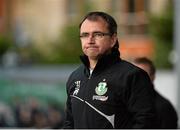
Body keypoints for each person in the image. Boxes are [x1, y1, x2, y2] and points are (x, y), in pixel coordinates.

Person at [63, 11, 156, 129]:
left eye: (97, 34)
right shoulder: (75, 77)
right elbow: (69, 124)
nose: (90, 40)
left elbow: (145, 123)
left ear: (113, 39)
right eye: (85, 35)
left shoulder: (132, 76)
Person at [133, 57, 178, 128]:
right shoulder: (123, 102)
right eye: (133, 74)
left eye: (142, 75)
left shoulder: (164, 107)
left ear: (153, 77)